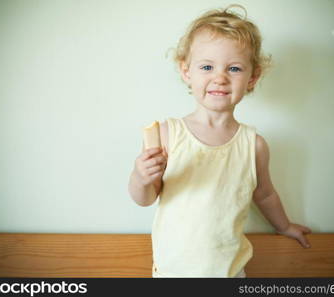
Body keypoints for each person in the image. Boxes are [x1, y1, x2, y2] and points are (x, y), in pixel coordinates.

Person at [128, 4, 311, 278]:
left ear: (253, 77)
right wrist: (140, 178)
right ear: (186, 71)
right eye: (207, 66)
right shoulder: (167, 134)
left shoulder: (254, 145)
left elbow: (265, 194)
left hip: (230, 272)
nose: (220, 78)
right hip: (172, 272)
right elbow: (145, 198)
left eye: (234, 68)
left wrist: (283, 226)